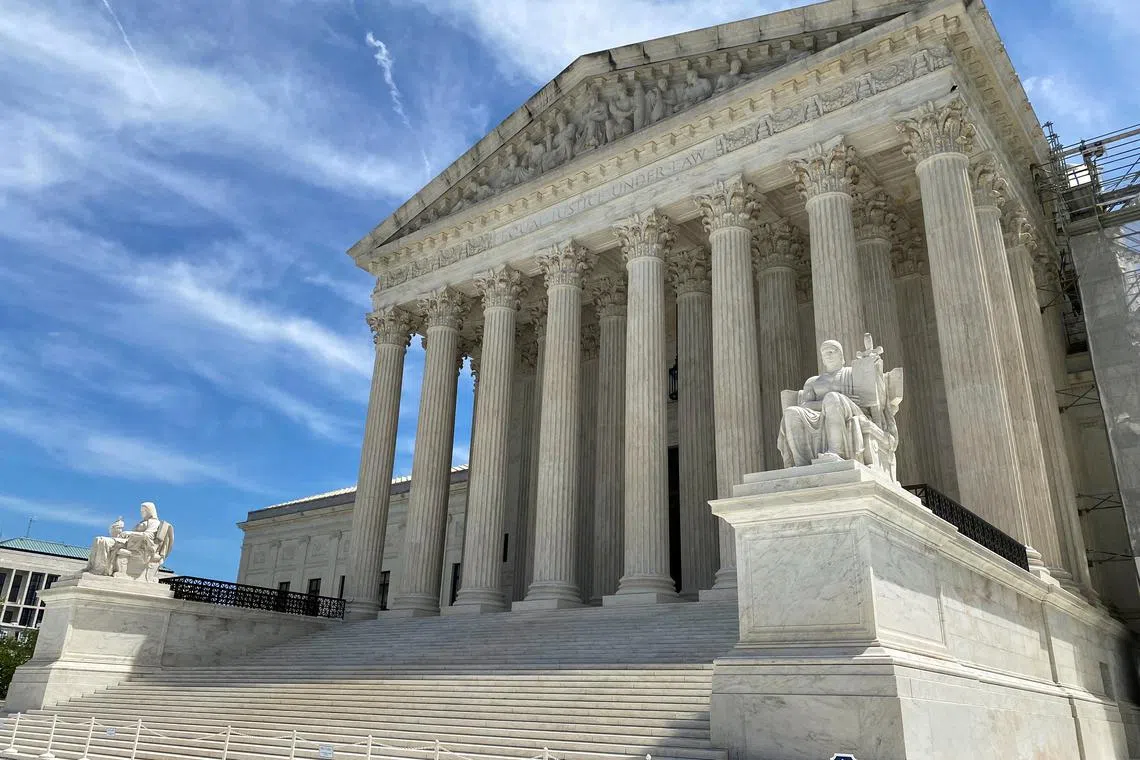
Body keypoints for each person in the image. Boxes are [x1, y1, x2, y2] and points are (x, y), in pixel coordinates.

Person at [777, 340, 873, 467]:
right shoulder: (813, 382)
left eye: (831, 352)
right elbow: (805, 405)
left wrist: (871, 365)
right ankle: (802, 462)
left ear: (841, 355)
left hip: (850, 411)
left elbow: (869, 397)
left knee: (832, 398)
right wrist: (827, 403)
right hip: (820, 414)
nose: (827, 355)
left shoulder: (852, 373)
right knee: (791, 412)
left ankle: (835, 452)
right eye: (824, 353)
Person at [87, 502, 164, 577]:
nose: (142, 513)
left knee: (103, 541)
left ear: (150, 511)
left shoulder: (154, 522)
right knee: (98, 539)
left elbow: (149, 535)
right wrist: (116, 531)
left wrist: (129, 533)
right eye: (141, 511)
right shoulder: (143, 522)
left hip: (138, 546)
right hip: (129, 542)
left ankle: (100, 570)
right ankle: (92, 567)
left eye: (144, 511)